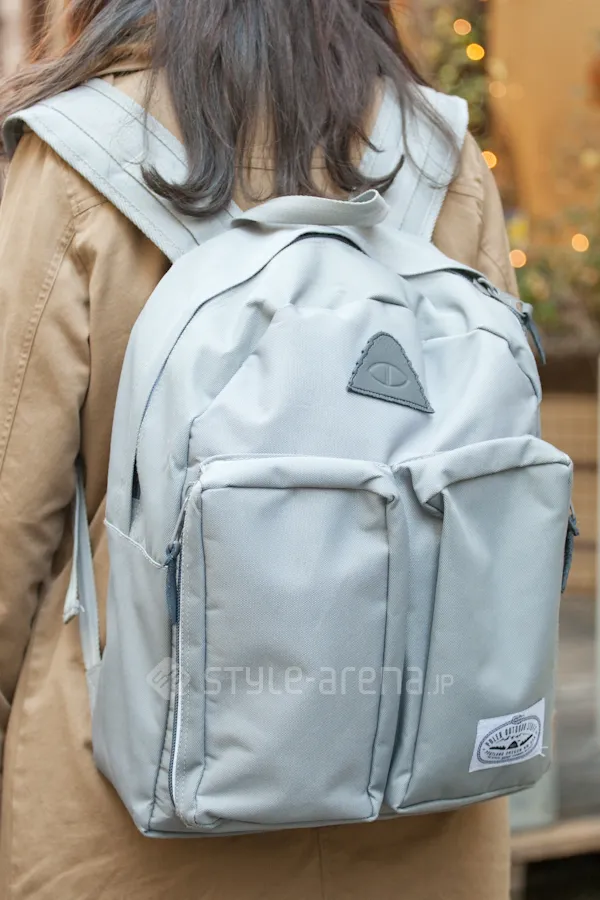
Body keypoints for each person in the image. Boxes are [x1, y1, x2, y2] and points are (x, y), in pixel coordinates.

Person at [0, 2, 517, 898]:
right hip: (419, 817)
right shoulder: (439, 153)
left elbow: (11, 511)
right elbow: (493, 488)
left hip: (129, 827)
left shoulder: (78, 154)